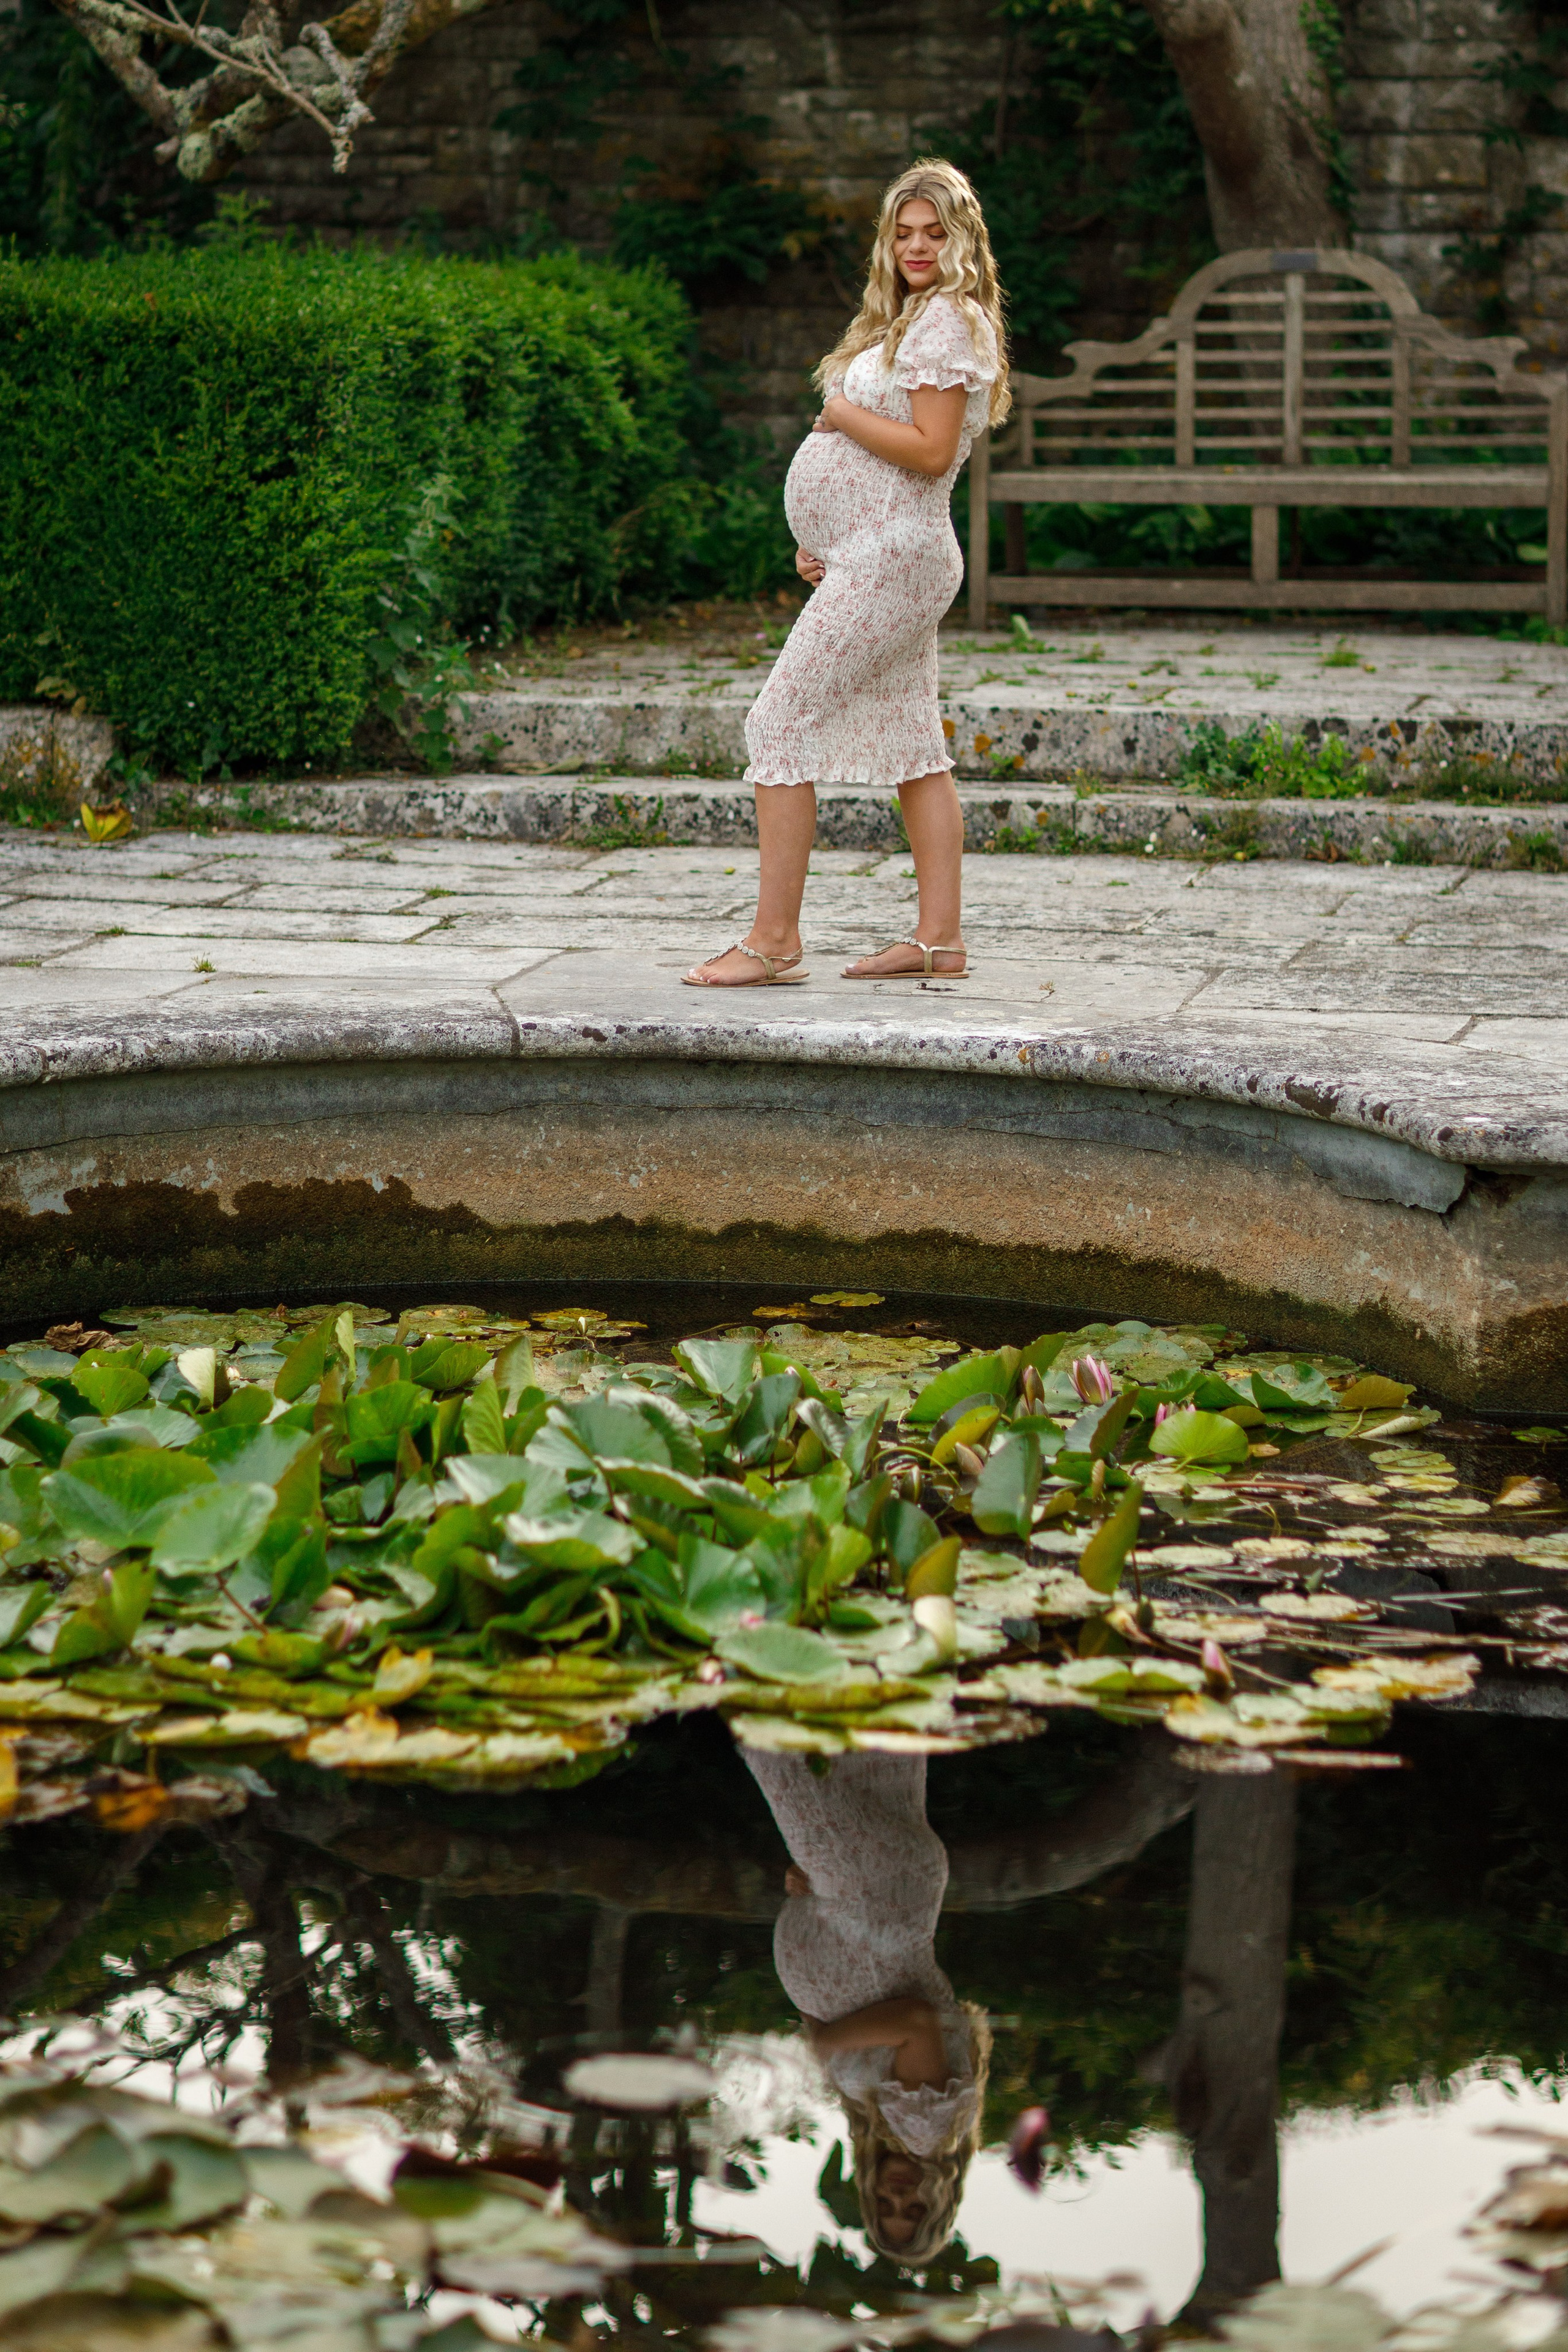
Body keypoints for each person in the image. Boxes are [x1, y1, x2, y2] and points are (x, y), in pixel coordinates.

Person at [685, 159, 1010, 990]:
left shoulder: (943, 321)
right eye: (903, 231)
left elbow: (933, 451)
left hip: (897, 556)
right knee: (915, 745)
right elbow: (899, 466)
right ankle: (939, 938)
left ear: (962, 237)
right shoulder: (914, 319)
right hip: (886, 551)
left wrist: (839, 416)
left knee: (778, 722)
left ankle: (774, 942)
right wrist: (828, 527)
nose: (915, 245)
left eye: (934, 232)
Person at [742, 1746, 991, 2264]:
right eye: (914, 2209)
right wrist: (819, 2046)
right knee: (770, 1742)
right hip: (873, 1903)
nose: (898, 2195)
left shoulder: (881, 2121)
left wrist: (806, 1902)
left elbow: (840, 2015)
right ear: (942, 2199)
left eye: (884, 2205)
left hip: (865, 1901)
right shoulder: (928, 2131)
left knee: (869, 1724)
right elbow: (915, 2024)